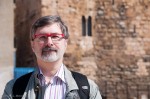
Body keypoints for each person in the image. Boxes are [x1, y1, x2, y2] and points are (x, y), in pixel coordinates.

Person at [2, 15, 102, 99]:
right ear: (32, 45)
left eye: (55, 36)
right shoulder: (13, 89)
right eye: (42, 37)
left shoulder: (89, 89)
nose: (49, 43)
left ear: (65, 43)